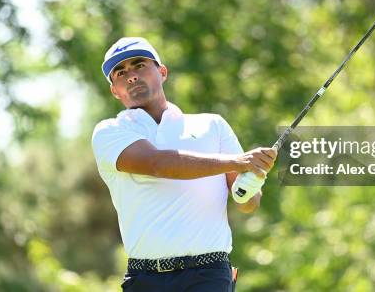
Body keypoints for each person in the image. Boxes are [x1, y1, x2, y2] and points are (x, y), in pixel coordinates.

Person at [91, 37, 277, 291]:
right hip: (145, 279)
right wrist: (238, 161)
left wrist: (253, 178)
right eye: (120, 73)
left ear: (162, 72)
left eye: (139, 65)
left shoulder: (212, 125)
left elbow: (247, 204)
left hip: (208, 275)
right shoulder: (109, 131)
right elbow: (158, 164)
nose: (131, 76)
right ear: (114, 90)